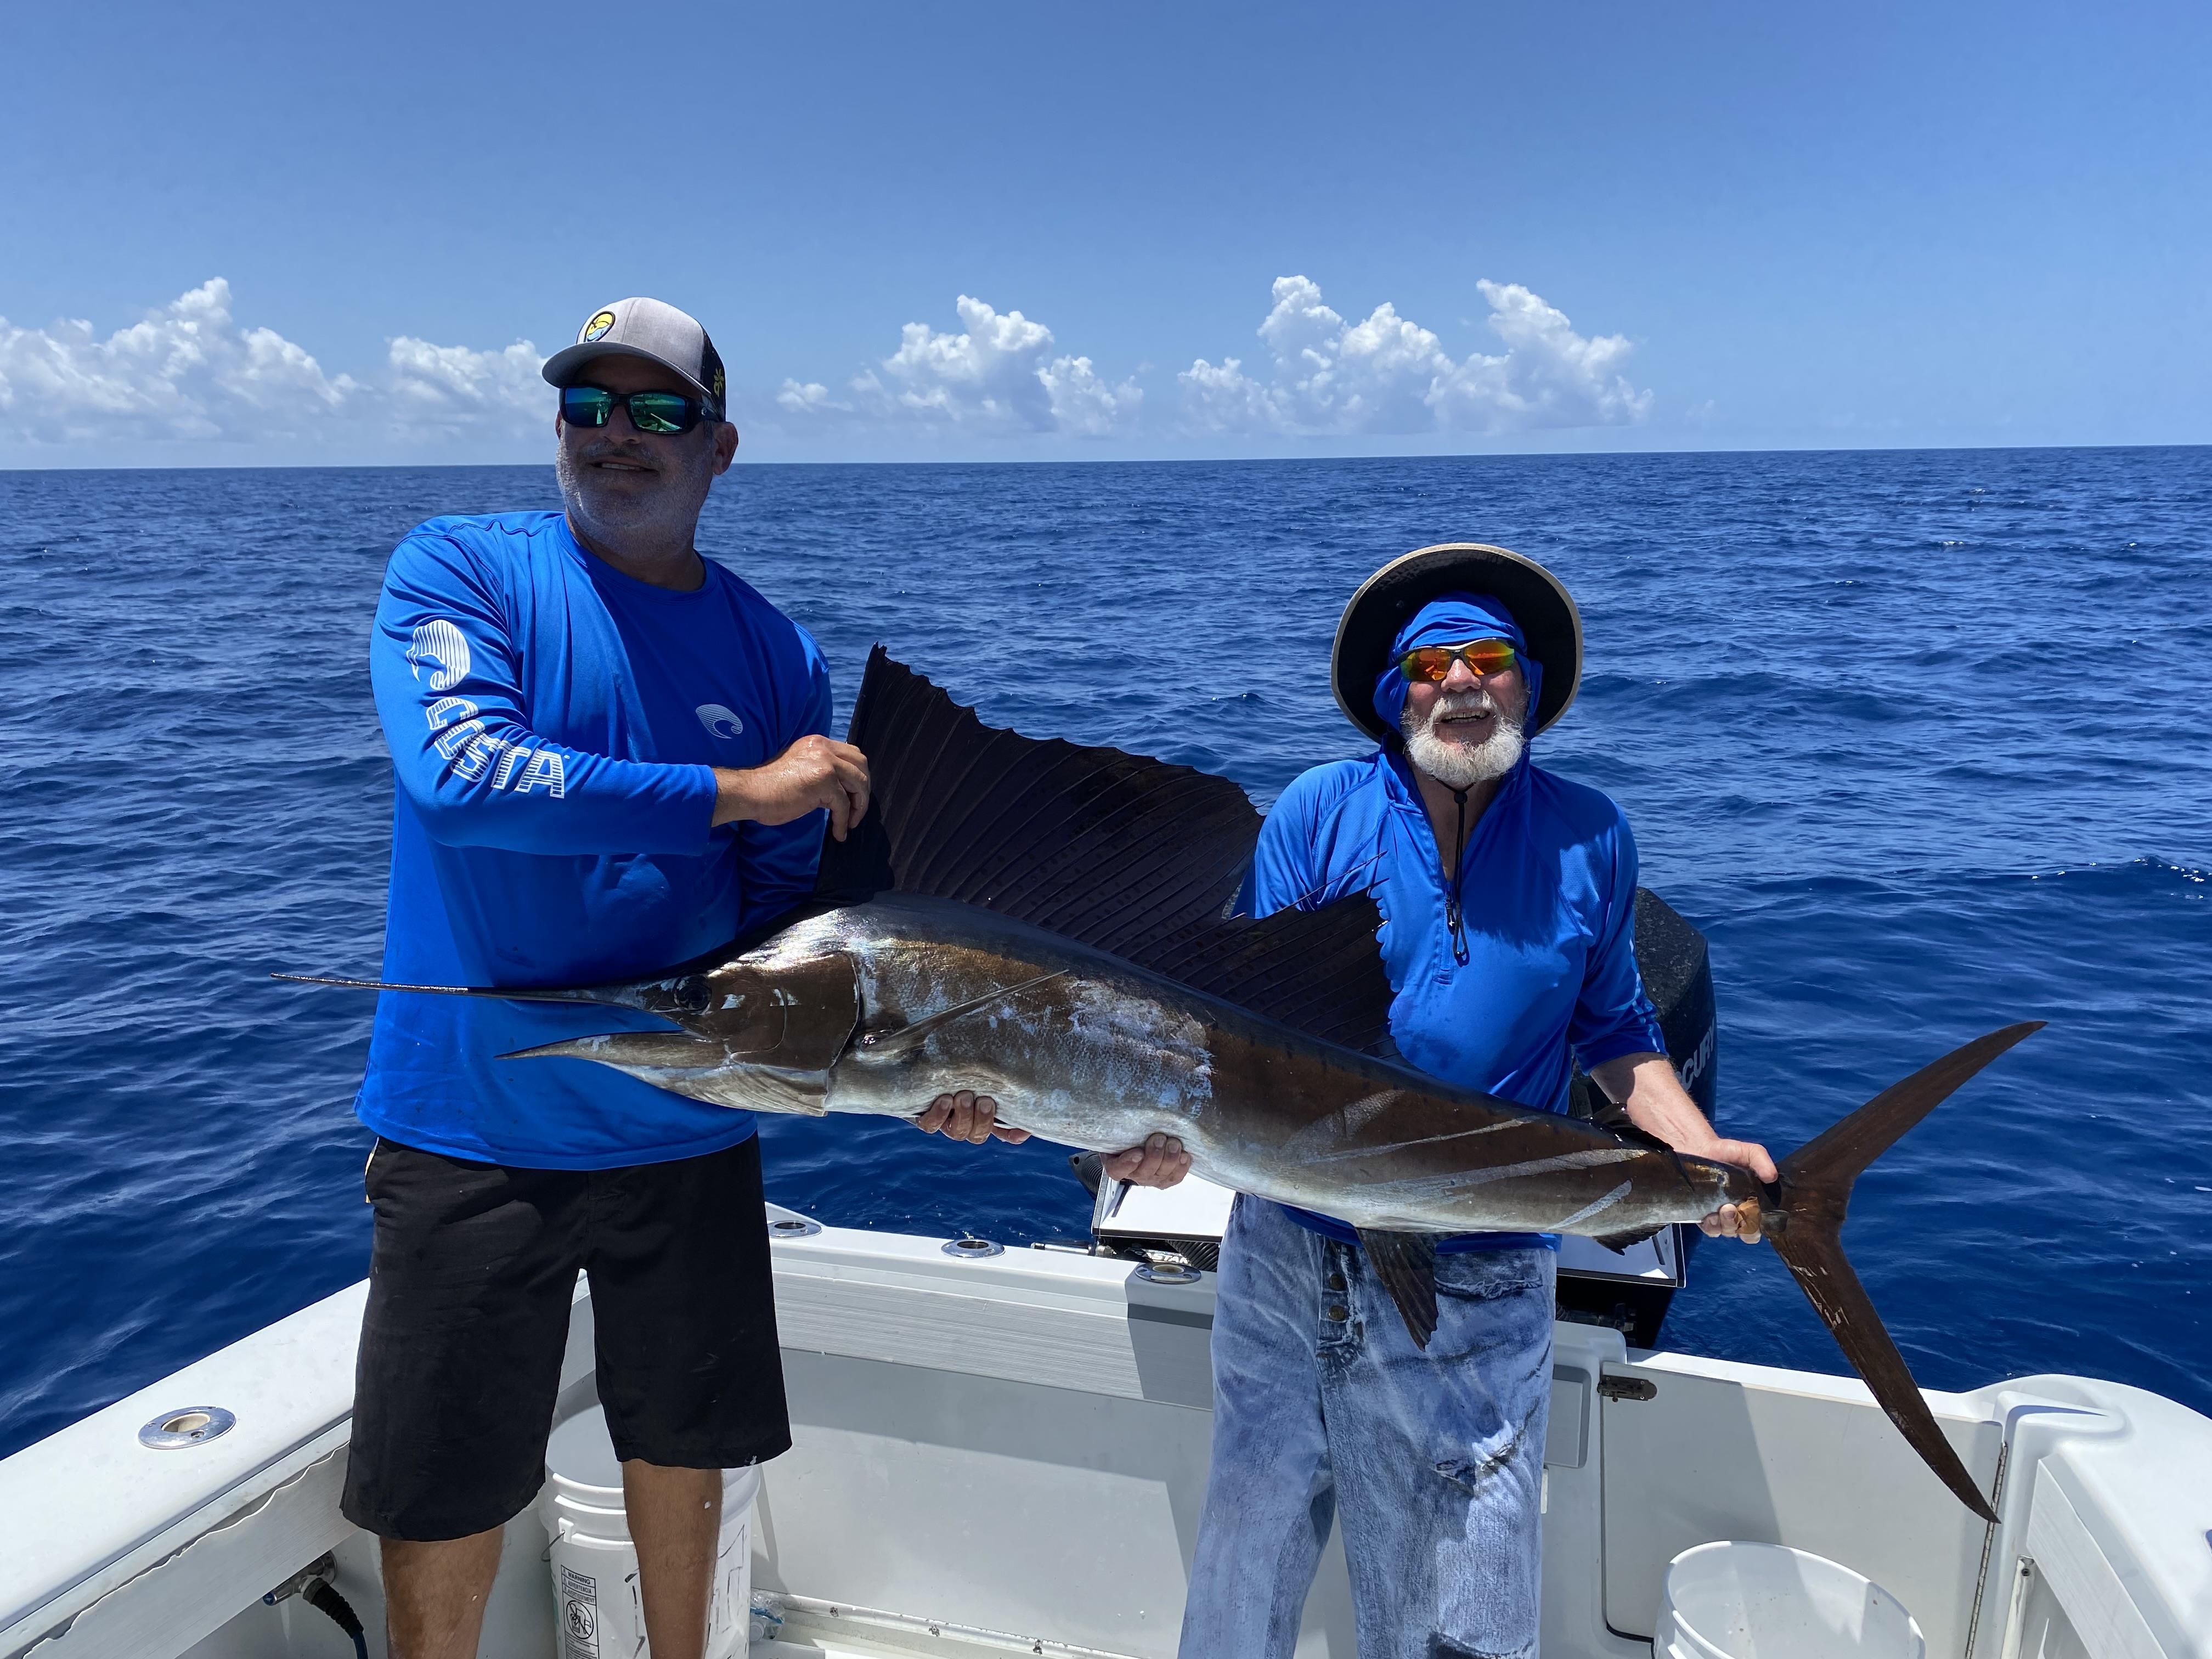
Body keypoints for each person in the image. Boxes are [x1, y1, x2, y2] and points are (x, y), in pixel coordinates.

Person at [344, 296, 1179, 1659]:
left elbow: (794, 926)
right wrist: (735, 787)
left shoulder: (774, 653)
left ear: (717, 447)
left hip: (694, 1118)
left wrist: (932, 1076)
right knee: (441, 1483)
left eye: (660, 412)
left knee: (689, 1441)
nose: (620, 436)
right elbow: (461, 780)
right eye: (590, 407)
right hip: (472, 1122)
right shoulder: (461, 572)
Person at [1176, 544, 1777, 1659]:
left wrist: (1703, 1152)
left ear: (1530, 684)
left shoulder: (1590, 835)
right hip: (1291, 1249)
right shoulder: (1318, 810)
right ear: (1393, 693)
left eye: (1490, 659)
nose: (1459, 684)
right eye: (1428, 665)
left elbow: (1615, 1033)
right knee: (1246, 1551)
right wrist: (1165, 1131)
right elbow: (1239, 1025)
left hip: (1485, 1261)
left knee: (1472, 1602)